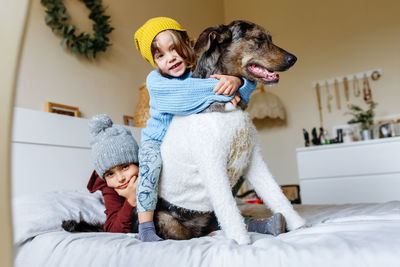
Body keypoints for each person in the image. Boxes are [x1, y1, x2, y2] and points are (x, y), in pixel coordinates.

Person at [133, 17, 259, 242]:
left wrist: (238, 82)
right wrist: (225, 88)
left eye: (174, 48)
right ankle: (145, 229)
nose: (170, 58)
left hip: (193, 146)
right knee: (149, 167)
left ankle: (237, 222)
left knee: (230, 165)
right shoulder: (155, 81)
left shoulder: (202, 69)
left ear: (189, 43)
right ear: (154, 63)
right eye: (160, 55)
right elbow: (187, 96)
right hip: (159, 141)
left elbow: (249, 82)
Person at [87, 114, 287, 237]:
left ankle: (251, 223)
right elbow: (112, 230)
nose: (120, 178)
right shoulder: (110, 187)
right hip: (166, 221)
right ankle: (247, 225)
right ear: (104, 176)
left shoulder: (151, 166)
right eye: (111, 174)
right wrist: (131, 200)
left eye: (125, 167)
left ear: (137, 162)